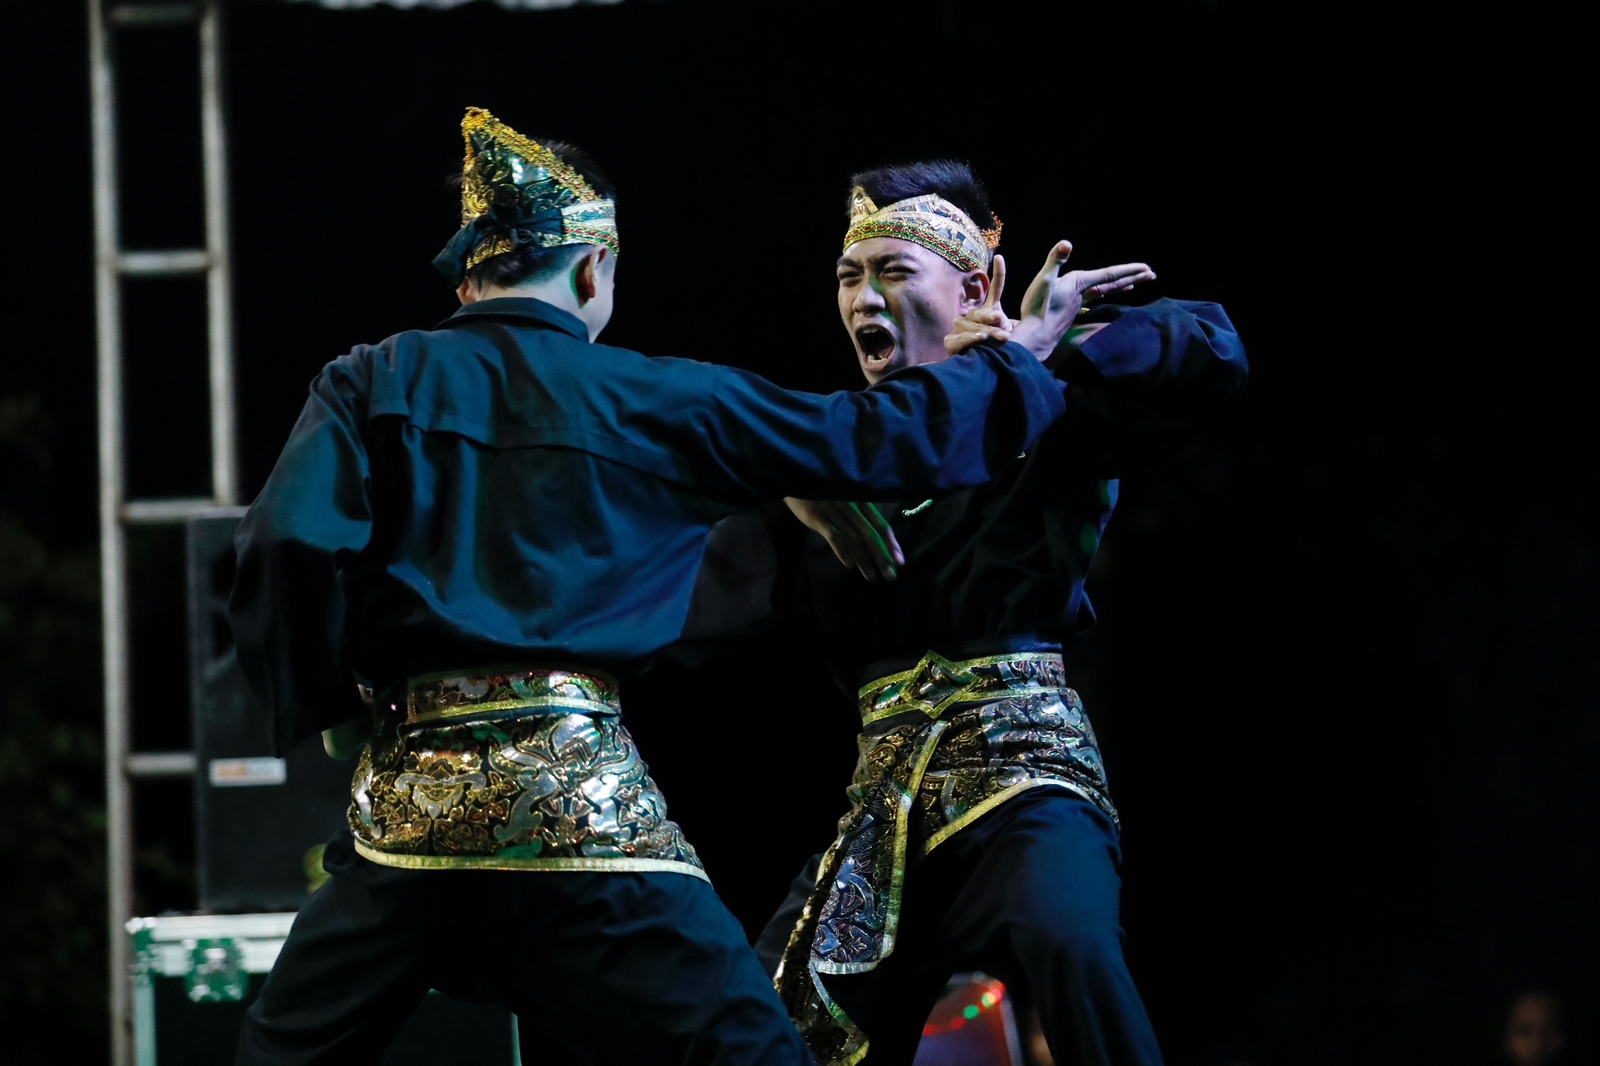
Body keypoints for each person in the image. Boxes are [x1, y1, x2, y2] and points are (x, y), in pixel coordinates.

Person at [228, 112, 1081, 1066]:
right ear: (594, 272)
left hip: (406, 815)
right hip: (583, 815)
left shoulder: (368, 379)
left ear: (473, 277)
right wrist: (1014, 356)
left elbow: (288, 538)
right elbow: (880, 441)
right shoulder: (661, 395)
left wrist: (329, 709)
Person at [686, 160, 1247, 1065]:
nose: (866, 298)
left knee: (1070, 945)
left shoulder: (1049, 392)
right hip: (883, 816)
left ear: (977, 285)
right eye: (849, 276)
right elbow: (684, 597)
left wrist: (1033, 351)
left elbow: (1212, 346)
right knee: (764, 1035)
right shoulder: (835, 456)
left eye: (895, 272)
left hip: (1027, 777)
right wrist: (782, 479)